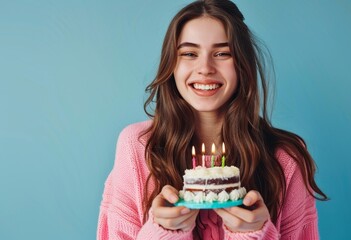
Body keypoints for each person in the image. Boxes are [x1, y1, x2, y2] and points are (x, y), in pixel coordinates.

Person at [97, 0, 328, 239]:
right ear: (171, 65)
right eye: (189, 53)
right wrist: (162, 233)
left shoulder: (286, 158)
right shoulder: (137, 146)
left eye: (222, 53)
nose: (205, 68)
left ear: (243, 65)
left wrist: (253, 234)